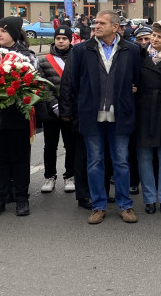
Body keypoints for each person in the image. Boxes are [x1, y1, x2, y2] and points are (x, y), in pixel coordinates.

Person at [61, 11, 142, 225]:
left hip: (120, 115)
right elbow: (74, 82)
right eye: (95, 22)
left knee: (121, 162)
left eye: (102, 23)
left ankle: (125, 205)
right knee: (95, 161)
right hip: (92, 115)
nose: (96, 26)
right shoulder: (81, 50)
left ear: (115, 27)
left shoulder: (132, 50)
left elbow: (137, 80)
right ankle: (98, 206)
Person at [0, 18, 40, 217]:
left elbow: (33, 83)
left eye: (3, 31)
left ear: (14, 34)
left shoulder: (26, 56)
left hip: (18, 114)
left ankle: (22, 198)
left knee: (20, 158)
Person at [134, 20, 161, 215]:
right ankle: (150, 198)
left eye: (159, 36)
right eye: (153, 35)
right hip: (143, 109)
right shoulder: (140, 54)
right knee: (144, 156)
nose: (154, 39)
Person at [37, 26, 77, 194]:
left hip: (71, 110)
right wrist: (53, 104)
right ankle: (49, 176)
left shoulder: (77, 58)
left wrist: (69, 106)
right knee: (50, 145)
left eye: (64, 39)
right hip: (50, 110)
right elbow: (42, 85)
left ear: (70, 40)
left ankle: (70, 176)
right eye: (58, 38)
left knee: (71, 145)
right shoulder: (44, 60)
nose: (61, 41)